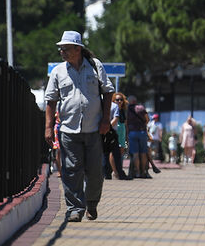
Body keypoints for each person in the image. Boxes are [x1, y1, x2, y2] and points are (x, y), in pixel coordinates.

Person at [44, 30, 114, 222]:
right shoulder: (58, 71)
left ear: (78, 49)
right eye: (60, 49)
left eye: (65, 48)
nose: (62, 52)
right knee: (71, 170)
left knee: (95, 172)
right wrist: (48, 128)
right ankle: (75, 208)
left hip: (94, 128)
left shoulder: (95, 65)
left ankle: (91, 204)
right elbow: (50, 100)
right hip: (68, 129)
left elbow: (108, 92)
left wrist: (106, 119)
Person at [125, 95, 152, 178]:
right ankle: (143, 171)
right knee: (143, 152)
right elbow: (147, 119)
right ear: (135, 101)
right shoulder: (141, 108)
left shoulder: (127, 109)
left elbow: (126, 122)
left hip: (132, 132)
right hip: (142, 132)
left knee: (135, 153)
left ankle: (137, 172)